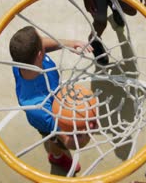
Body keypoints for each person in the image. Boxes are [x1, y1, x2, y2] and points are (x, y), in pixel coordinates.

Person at [9, 26, 94, 173]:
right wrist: (88, 128)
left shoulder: (22, 62)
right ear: (40, 54)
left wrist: (69, 43)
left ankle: (55, 153)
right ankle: (56, 156)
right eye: (40, 41)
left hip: (55, 96)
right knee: (55, 139)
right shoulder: (38, 106)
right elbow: (69, 140)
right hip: (46, 120)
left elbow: (40, 44)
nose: (43, 41)